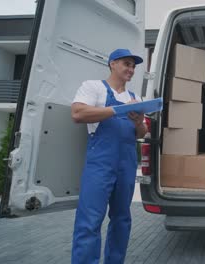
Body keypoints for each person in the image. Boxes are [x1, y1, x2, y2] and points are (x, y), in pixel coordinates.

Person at [70, 48, 148, 263]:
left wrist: (137, 121)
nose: (131, 69)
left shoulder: (135, 98)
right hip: (100, 163)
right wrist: (119, 109)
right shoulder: (93, 87)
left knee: (122, 219)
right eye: (126, 64)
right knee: (89, 221)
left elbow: (142, 134)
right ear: (113, 63)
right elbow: (77, 113)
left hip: (127, 162)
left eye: (133, 66)